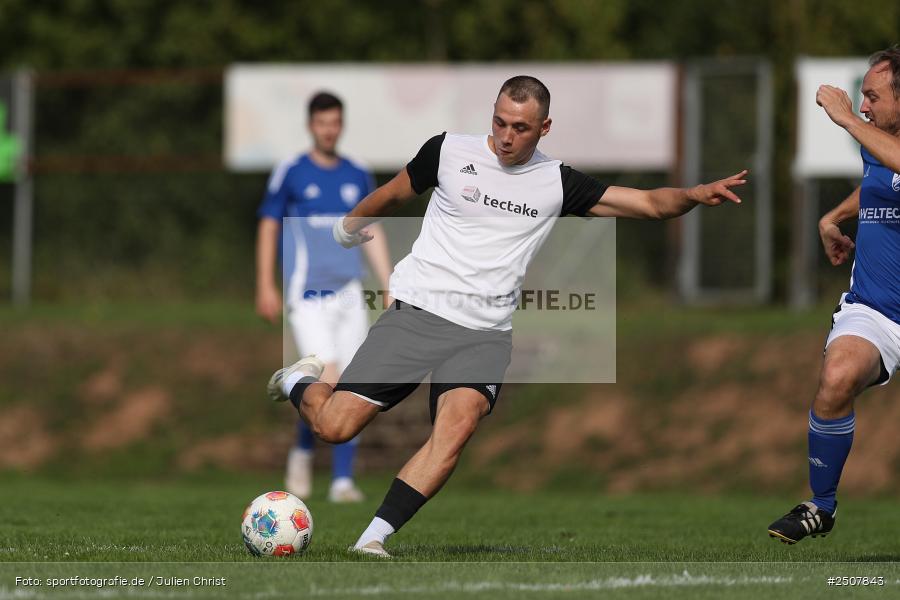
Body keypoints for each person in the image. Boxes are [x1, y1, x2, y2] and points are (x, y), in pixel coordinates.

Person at [267, 75, 747, 557]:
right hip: (418, 314)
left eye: (520, 126)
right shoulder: (448, 151)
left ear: (544, 128)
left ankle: (372, 539)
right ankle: (296, 381)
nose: (506, 135)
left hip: (484, 335)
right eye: (499, 121)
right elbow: (394, 193)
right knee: (334, 428)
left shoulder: (558, 182)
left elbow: (645, 202)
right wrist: (350, 226)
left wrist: (693, 193)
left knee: (456, 428)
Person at [767, 46, 900, 544]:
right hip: (877, 310)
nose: (864, 106)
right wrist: (832, 218)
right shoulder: (878, 140)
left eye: (873, 96)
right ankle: (820, 505)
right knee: (837, 374)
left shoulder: (871, 135)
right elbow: (881, 182)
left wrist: (844, 117)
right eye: (861, 98)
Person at [256, 91, 392, 503]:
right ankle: (324, 467)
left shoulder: (357, 173)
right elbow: (268, 225)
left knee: (349, 386)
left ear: (341, 124)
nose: (329, 130)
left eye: (335, 122)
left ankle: (331, 473)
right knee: (329, 378)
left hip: (348, 292)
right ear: (311, 125)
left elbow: (372, 229)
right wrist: (265, 283)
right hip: (307, 292)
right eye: (322, 123)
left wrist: (388, 283)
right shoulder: (292, 171)